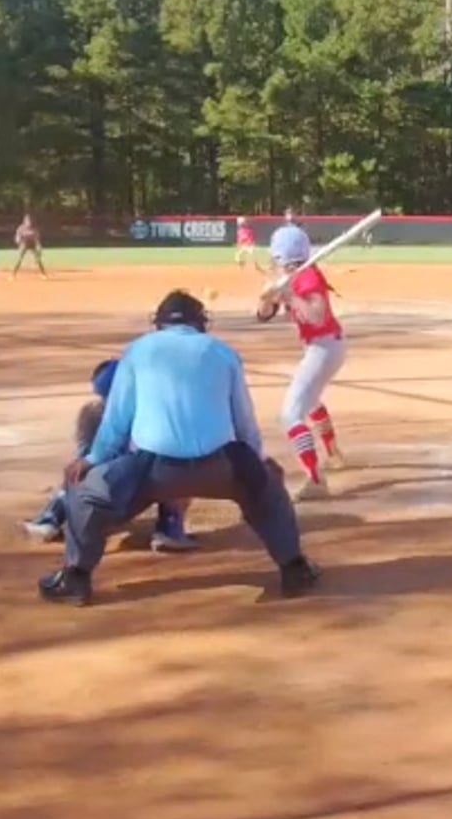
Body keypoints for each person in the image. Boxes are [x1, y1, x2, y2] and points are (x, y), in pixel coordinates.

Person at [39, 290, 318, 607]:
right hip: (220, 467)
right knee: (269, 489)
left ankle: (75, 578)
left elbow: (116, 422)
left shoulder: (138, 351)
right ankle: (295, 568)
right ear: (201, 323)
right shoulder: (223, 353)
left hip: (153, 471)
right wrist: (260, 461)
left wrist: (92, 460)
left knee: (82, 492)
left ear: (158, 323)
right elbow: (244, 422)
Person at [23, 357, 198, 552]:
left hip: (97, 498)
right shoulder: (158, 415)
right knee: (179, 466)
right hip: (138, 498)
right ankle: (170, 529)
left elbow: (84, 459)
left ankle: (50, 519)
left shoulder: (91, 413)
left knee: (78, 469)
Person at [256, 225, 346, 500]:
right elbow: (263, 315)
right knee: (311, 400)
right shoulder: (288, 277)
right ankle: (333, 453)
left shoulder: (307, 276)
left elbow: (317, 317)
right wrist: (267, 298)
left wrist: (290, 296)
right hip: (321, 347)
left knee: (291, 415)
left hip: (325, 347)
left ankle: (316, 480)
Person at [11, 213, 49, 280]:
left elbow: (37, 240)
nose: (29, 222)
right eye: (27, 220)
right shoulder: (21, 228)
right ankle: (13, 275)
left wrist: (39, 247)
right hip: (24, 243)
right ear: (24, 221)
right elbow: (17, 237)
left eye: (30, 220)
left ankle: (43, 274)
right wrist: (18, 241)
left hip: (32, 244)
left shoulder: (34, 229)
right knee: (19, 259)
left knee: (38, 259)